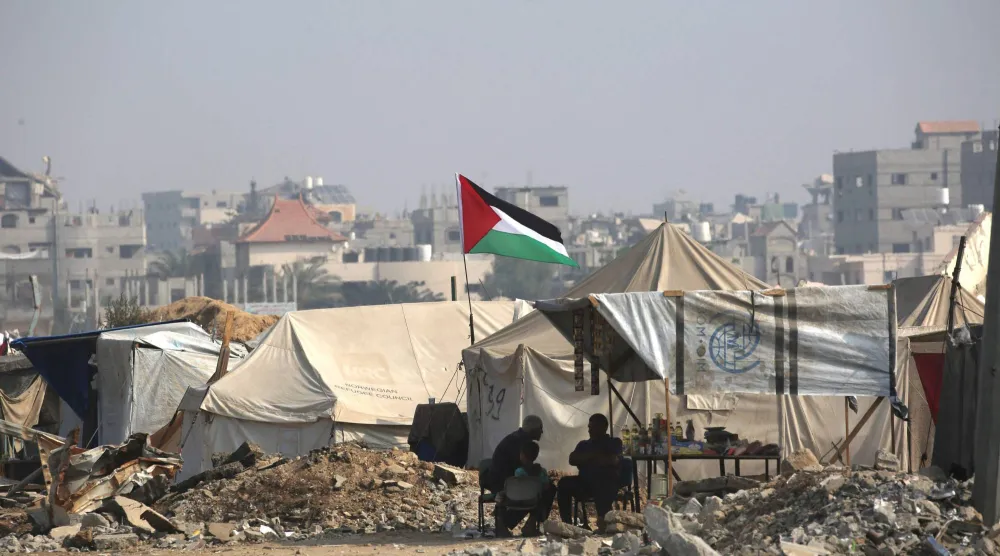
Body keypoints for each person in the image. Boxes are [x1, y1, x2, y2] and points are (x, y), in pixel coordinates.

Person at [487, 415, 556, 537]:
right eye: (540, 428)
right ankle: (529, 522)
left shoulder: (517, 438)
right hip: (504, 482)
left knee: (534, 490)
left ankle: (511, 522)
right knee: (541, 490)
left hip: (508, 480)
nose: (541, 432)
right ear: (533, 429)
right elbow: (521, 470)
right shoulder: (520, 442)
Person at [557, 414, 623, 530]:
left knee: (602, 478)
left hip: (606, 482)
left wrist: (587, 458)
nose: (589, 430)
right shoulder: (584, 444)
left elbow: (612, 460)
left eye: (593, 427)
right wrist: (595, 456)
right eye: (589, 427)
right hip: (585, 483)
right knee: (563, 483)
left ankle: (603, 519)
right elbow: (572, 459)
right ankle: (567, 524)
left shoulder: (614, 442)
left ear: (604, 427)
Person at [495, 441, 550, 536]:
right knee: (542, 497)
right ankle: (531, 524)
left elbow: (518, 488)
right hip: (535, 501)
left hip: (518, 501)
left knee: (501, 498)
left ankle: (501, 526)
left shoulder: (519, 471)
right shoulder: (542, 471)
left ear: (522, 455)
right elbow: (546, 486)